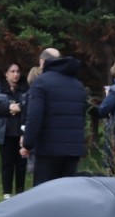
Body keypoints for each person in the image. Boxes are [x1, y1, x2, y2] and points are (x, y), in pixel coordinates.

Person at [21, 48, 88, 185]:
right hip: (72, 148)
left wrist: (28, 143)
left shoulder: (41, 83)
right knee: (67, 190)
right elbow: (81, 116)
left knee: (44, 191)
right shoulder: (78, 85)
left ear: (42, 62)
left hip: (48, 149)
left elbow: (34, 117)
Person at [0, 63, 28, 198]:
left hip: (21, 133)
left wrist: (20, 108)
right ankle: (7, 193)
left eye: (17, 71)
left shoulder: (25, 89)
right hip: (5, 133)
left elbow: (31, 106)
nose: (15, 74)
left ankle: (20, 192)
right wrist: (9, 108)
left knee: (21, 165)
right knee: (7, 164)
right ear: (6, 74)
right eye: (12, 71)